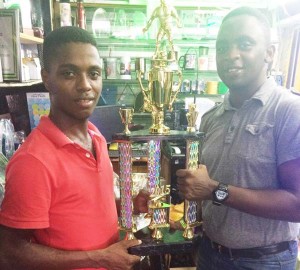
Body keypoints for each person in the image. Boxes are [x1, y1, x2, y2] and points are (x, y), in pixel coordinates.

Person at [0, 26, 149, 270]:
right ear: (47, 77)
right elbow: (8, 253)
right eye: (69, 73)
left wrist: (129, 203)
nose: (85, 85)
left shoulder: (96, 136)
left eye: (93, 73)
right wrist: (101, 257)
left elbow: (82, 207)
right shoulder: (33, 161)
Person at [177, 6, 300, 270]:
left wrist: (214, 191)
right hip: (211, 253)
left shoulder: (288, 111)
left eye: (244, 44)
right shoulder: (211, 118)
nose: (231, 55)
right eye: (222, 48)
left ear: (269, 53)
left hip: (266, 261)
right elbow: (203, 189)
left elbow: (297, 204)